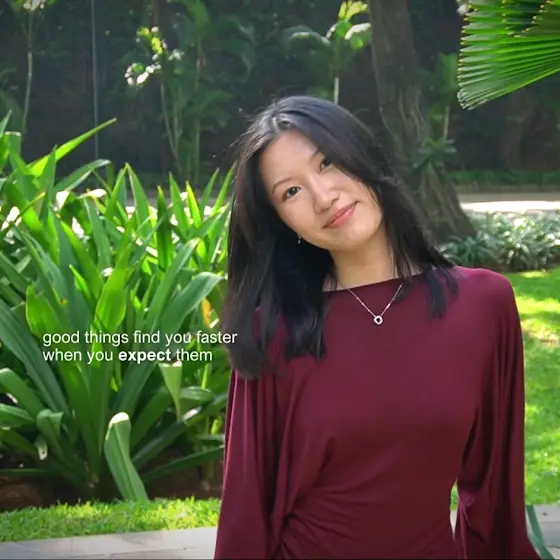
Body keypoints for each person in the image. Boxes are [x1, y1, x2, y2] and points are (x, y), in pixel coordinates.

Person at [213, 95, 539, 560]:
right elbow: (246, 511)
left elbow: (495, 499)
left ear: (362, 154)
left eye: (326, 162)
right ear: (283, 223)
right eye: (291, 192)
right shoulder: (276, 331)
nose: (323, 197)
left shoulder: (483, 305)